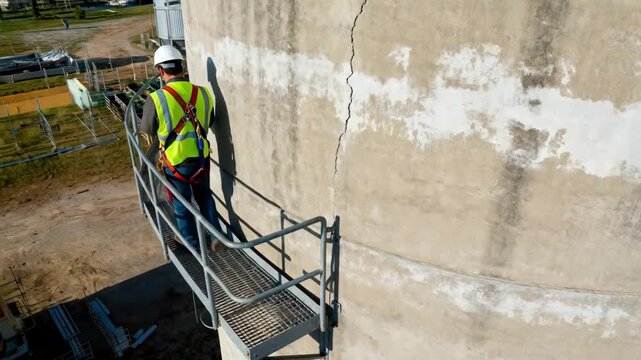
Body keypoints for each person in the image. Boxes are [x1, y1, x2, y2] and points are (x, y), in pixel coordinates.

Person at [140, 45, 222, 252]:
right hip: (202, 157)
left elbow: (147, 128)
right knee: (205, 196)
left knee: (181, 202)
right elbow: (210, 121)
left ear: (161, 70)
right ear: (181, 67)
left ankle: (190, 243)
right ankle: (216, 236)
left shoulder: (157, 98)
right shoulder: (203, 93)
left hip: (176, 162)